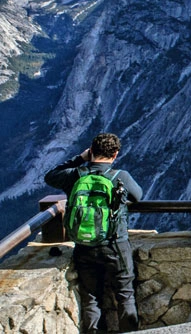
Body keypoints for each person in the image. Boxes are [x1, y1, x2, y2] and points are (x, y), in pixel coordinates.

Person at [45, 132, 143, 333]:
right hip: (115, 246)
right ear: (115, 154)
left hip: (84, 247)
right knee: (125, 295)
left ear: (91, 151)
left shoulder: (75, 175)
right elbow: (138, 196)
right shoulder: (119, 177)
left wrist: (80, 159)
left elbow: (50, 176)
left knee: (91, 299)